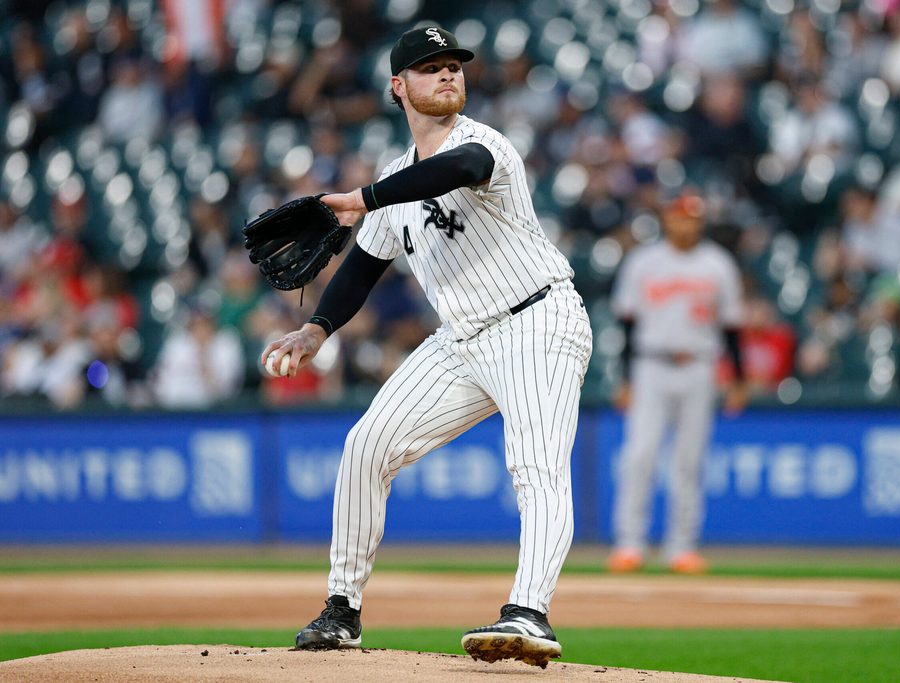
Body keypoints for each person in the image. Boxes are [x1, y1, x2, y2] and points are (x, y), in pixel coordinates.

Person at [260, 26, 592, 667]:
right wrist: (315, 330)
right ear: (398, 86)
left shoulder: (482, 145)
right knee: (366, 445)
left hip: (537, 322)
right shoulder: (393, 179)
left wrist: (364, 197)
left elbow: (459, 171)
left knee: (535, 467)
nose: (446, 76)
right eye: (428, 67)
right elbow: (361, 265)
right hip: (461, 341)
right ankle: (341, 610)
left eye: (453, 66)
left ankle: (529, 611)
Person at [607, 189, 747, 575]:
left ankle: (681, 546)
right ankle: (629, 543)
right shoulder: (644, 262)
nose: (686, 223)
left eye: (693, 218)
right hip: (650, 365)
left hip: (700, 365)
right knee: (640, 456)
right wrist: (625, 379)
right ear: (668, 219)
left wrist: (738, 379)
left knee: (689, 460)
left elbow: (732, 328)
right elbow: (627, 325)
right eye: (680, 216)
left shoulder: (718, 265)